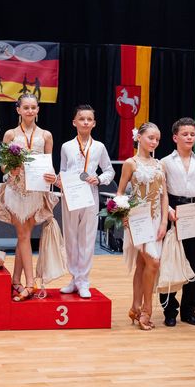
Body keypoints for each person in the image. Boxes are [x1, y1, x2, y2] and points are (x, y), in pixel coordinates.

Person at [0, 93, 58, 301]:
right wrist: (11, 168)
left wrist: (51, 176)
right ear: (18, 110)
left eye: (33, 107)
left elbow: (49, 165)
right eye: (25, 107)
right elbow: (2, 166)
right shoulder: (10, 134)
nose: (30, 111)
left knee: (24, 236)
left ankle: (16, 281)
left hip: (35, 191)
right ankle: (30, 283)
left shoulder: (46, 135)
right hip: (15, 191)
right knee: (23, 235)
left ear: (38, 110)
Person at [56, 105, 114, 299]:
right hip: (71, 195)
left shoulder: (99, 147)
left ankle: (84, 281)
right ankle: (74, 279)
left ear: (94, 123)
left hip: (90, 194)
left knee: (87, 238)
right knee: (70, 237)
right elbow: (63, 170)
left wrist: (99, 179)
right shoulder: (66, 146)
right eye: (82, 119)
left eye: (89, 119)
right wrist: (59, 181)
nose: (86, 122)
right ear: (74, 122)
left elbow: (109, 171)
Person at [116, 122, 168, 331]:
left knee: (143, 264)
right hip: (138, 220)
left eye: (157, 139)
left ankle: (135, 307)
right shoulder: (131, 163)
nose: (154, 142)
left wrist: (164, 221)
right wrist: (123, 213)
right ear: (139, 137)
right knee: (153, 262)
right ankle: (147, 310)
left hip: (156, 219)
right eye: (150, 138)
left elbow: (164, 195)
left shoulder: (160, 165)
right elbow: (120, 192)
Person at [160, 117, 195, 327]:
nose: (189, 137)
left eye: (192, 134)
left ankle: (189, 311)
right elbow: (161, 193)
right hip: (173, 211)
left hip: (193, 213)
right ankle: (169, 310)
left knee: (193, 263)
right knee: (170, 261)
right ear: (175, 137)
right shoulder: (165, 162)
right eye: (185, 134)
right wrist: (169, 211)